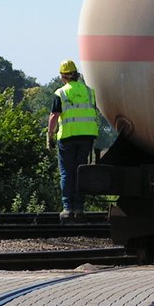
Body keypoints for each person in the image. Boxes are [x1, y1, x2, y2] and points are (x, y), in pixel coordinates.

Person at [47, 60, 99, 221]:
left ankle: (67, 208)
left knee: (67, 173)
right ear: (76, 74)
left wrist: (50, 136)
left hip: (68, 138)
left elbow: (54, 116)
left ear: (63, 76)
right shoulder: (89, 92)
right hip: (87, 137)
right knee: (80, 172)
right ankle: (79, 208)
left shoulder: (61, 93)